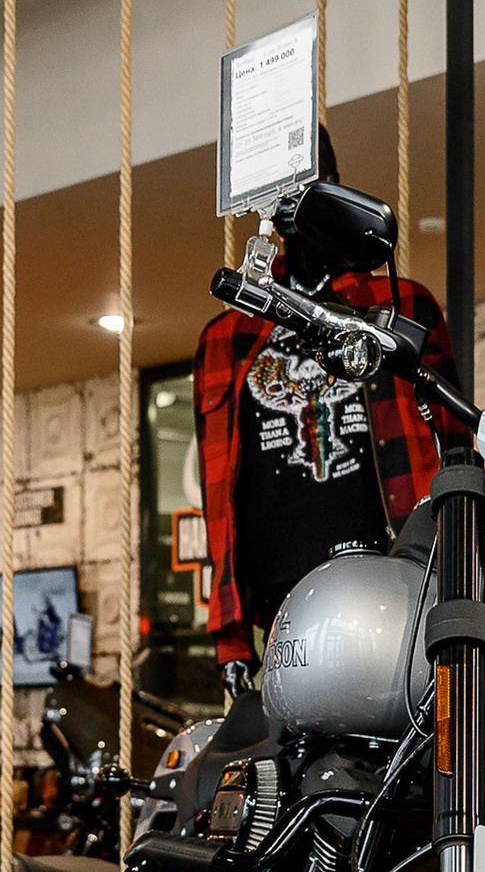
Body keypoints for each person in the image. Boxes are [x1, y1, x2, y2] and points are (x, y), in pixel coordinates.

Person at [197, 136, 468, 684]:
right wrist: (230, 637)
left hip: (397, 585)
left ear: (334, 190)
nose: (292, 199)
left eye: (307, 182)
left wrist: (461, 579)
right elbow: (218, 493)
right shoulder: (226, 337)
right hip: (282, 609)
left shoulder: (399, 306)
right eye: (279, 186)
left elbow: (458, 449)